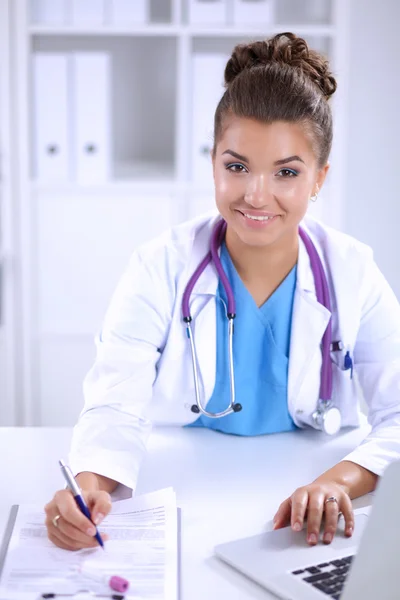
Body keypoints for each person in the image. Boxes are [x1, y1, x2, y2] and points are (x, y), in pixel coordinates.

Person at [45, 32, 400, 552]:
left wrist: (337, 481)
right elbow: (113, 406)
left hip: (299, 514)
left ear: (319, 179)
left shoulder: (352, 271)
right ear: (213, 161)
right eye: (237, 166)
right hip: (187, 493)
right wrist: (91, 490)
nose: (257, 195)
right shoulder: (160, 266)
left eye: (286, 172)